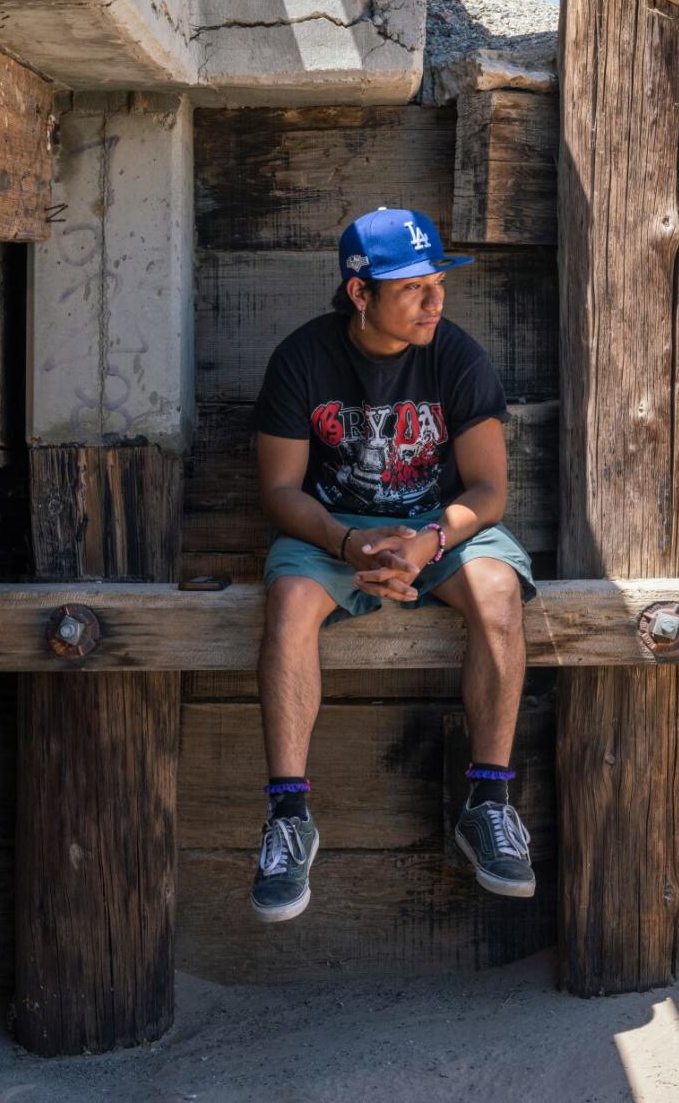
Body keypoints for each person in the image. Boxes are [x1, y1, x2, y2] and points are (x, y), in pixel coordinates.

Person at [249, 207, 538, 923]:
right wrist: (350, 544)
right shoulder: (302, 359)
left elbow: (489, 491)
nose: (435, 302)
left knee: (500, 594)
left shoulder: (457, 355)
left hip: (439, 535)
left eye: (439, 283)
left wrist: (427, 542)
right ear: (359, 293)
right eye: (414, 288)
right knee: (287, 608)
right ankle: (288, 818)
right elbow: (280, 490)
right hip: (333, 532)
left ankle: (489, 801)